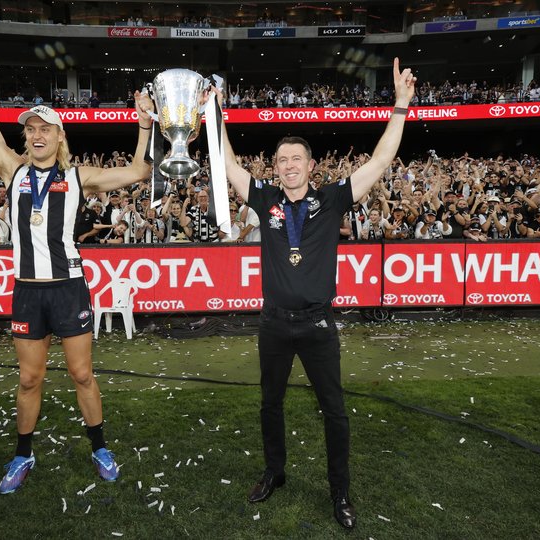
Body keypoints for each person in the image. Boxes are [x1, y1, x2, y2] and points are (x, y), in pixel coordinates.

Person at [0, 30, 153, 494]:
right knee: (30, 379)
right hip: (28, 291)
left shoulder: (78, 176)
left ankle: (99, 446)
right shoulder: (10, 169)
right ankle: (22, 454)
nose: (35, 134)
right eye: (30, 128)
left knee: (81, 374)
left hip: (68, 287)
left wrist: (144, 125)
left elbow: (139, 171)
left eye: (44, 128)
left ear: (59, 136)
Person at [213, 57, 416, 530]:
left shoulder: (333, 199)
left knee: (335, 411)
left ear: (310, 165)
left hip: (320, 324)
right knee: (270, 404)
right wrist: (215, 113)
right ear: (276, 167)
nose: (288, 166)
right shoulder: (265, 199)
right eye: (281, 160)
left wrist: (401, 105)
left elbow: (381, 160)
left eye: (295, 159)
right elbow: (226, 163)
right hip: (275, 323)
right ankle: (274, 472)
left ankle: (340, 491)